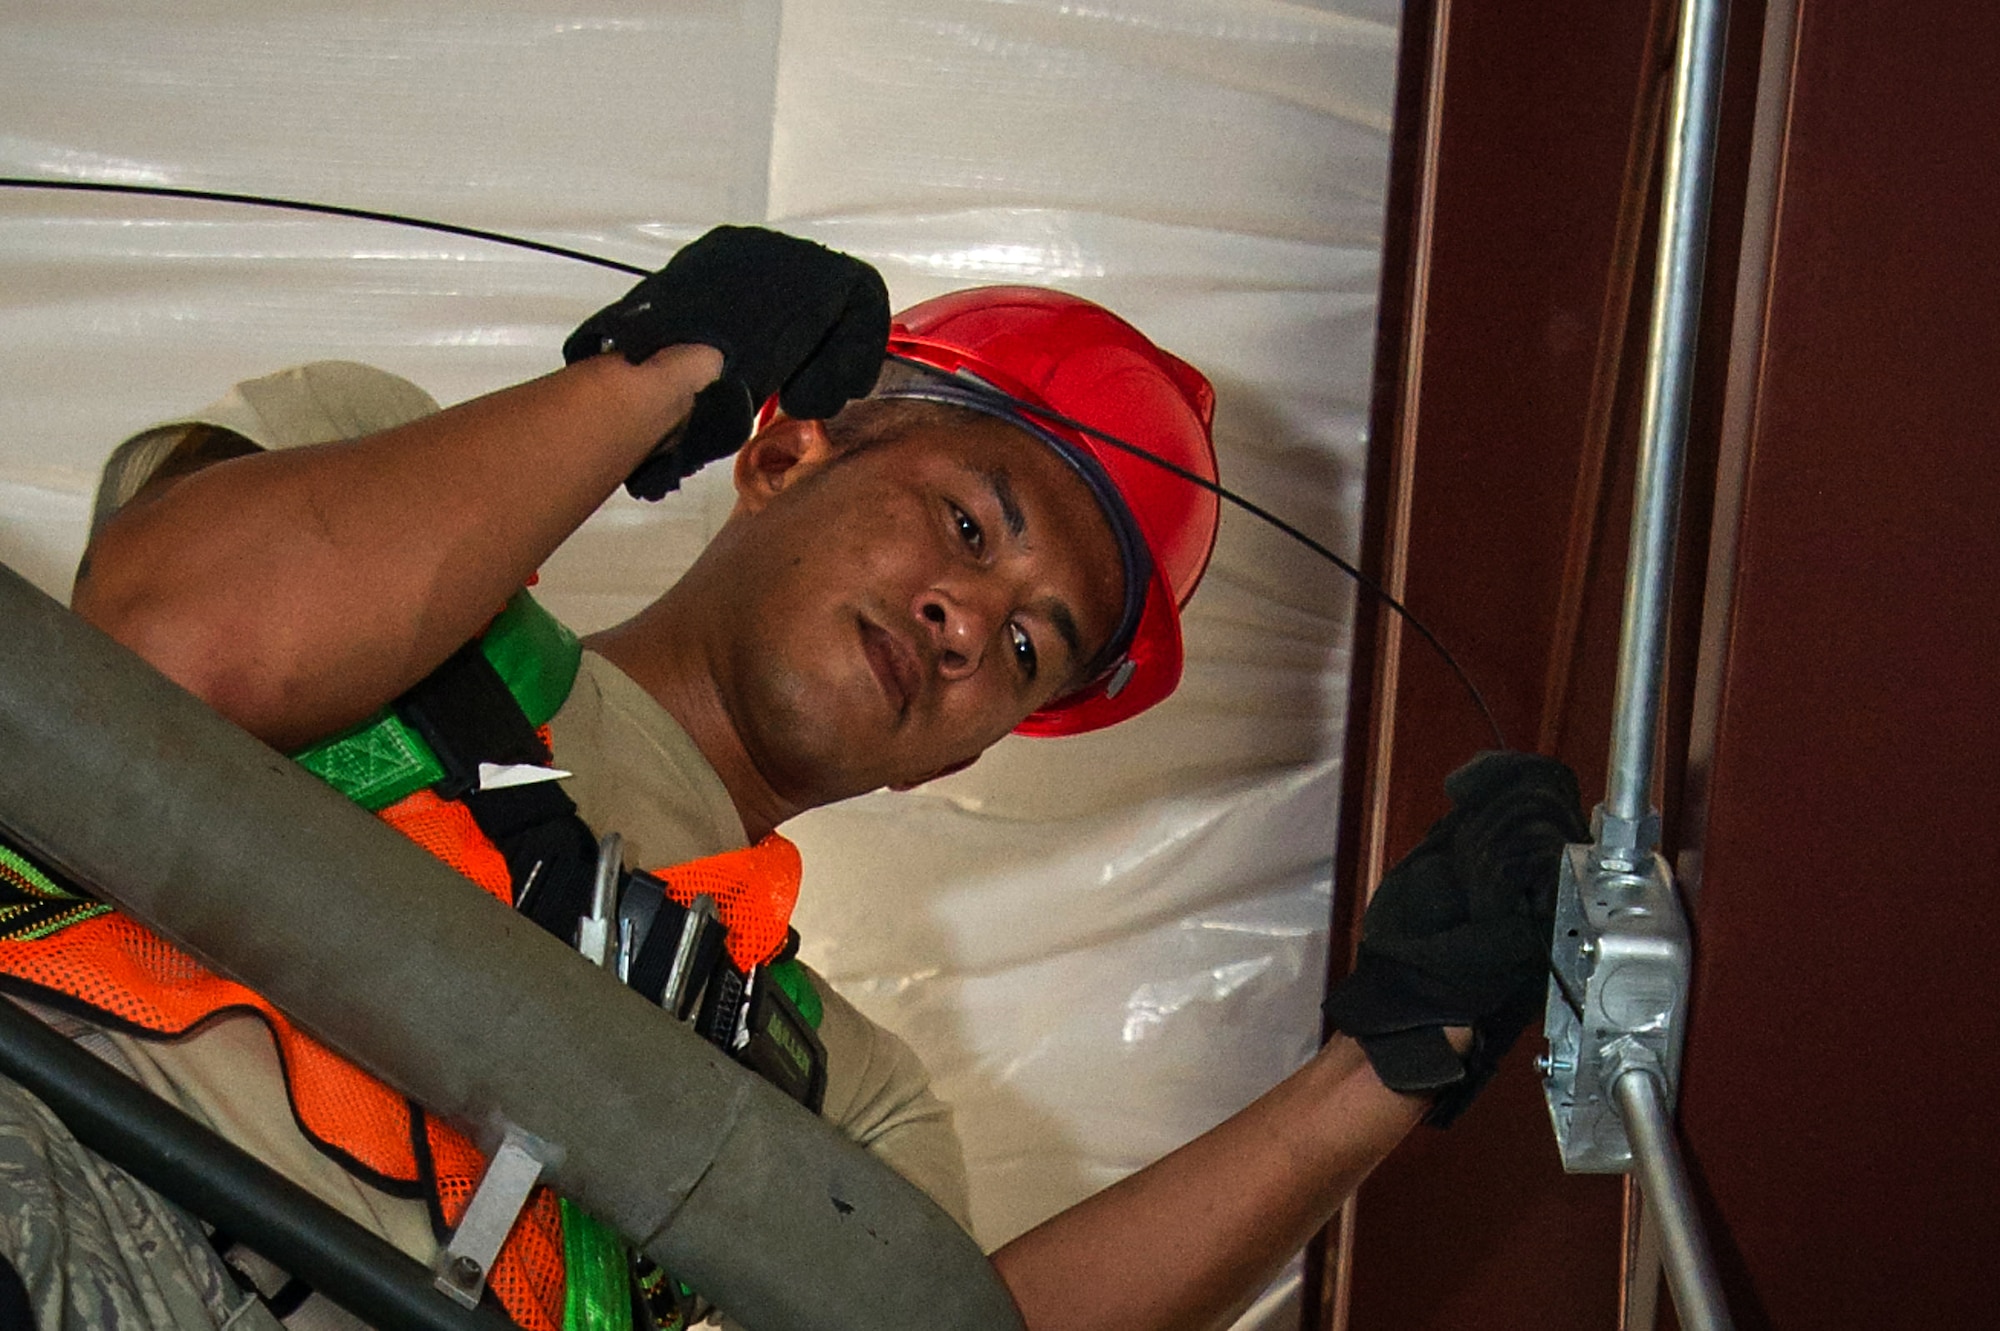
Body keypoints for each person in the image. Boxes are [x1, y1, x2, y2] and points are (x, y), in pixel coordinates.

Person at [5, 225, 1581, 1330]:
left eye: (1033, 653)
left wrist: (1381, 1069)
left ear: (957, 760)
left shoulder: (831, 1097)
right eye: (971, 524)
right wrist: (653, 377)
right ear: (784, 454)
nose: (974, 623)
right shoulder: (394, 494)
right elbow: (182, 647)